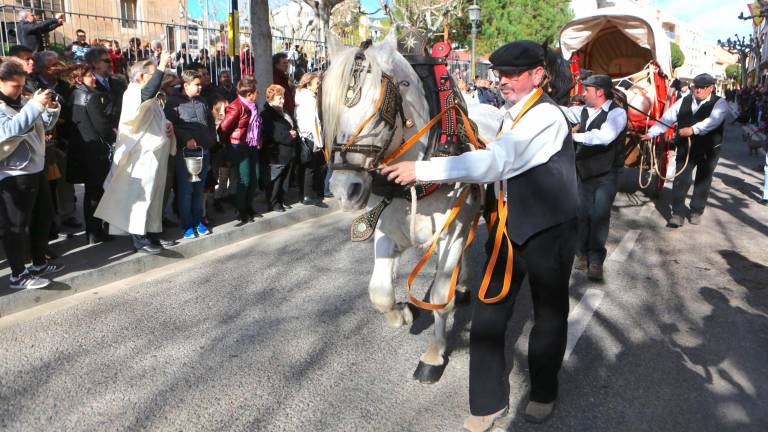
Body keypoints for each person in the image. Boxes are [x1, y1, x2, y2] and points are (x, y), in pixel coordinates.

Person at [382, 40, 578, 430]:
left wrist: (423, 171)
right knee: (489, 317)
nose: (499, 80)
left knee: (549, 315)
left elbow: (496, 161)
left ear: (537, 75)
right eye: (498, 73)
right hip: (507, 227)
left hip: (549, 232)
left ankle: (542, 390)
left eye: (510, 74)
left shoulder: (545, 117)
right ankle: (487, 402)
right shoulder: (510, 113)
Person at [94, 53, 176, 254]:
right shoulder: (133, 92)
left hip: (155, 154)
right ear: (140, 77)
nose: (158, 79)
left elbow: (157, 119)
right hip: (140, 156)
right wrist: (162, 64)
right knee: (140, 197)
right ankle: (140, 240)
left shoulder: (151, 97)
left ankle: (153, 234)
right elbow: (146, 95)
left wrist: (168, 126)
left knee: (154, 197)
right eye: (153, 74)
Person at [0, 60, 63, 289]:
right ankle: (18, 274)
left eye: (21, 85)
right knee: (16, 226)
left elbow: (42, 126)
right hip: (12, 174)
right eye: (14, 86)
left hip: (36, 168)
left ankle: (39, 263)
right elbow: (7, 131)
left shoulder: (25, 102)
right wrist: (35, 105)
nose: (19, 91)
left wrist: (51, 109)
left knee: (43, 217)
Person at [562, 74, 627, 280]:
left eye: (587, 89)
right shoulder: (583, 110)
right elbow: (563, 112)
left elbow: (604, 136)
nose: (583, 93)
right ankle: (580, 254)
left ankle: (596, 259)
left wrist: (572, 136)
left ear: (599, 92)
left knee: (599, 215)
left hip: (607, 174)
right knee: (581, 213)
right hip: (585, 172)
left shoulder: (617, 114)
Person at [642, 73, 728, 227]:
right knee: (681, 179)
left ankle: (696, 210)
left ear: (711, 88)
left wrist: (693, 130)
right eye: (696, 87)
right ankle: (677, 212)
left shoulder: (720, 103)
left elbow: (713, 121)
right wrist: (651, 133)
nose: (699, 90)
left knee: (703, 180)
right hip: (685, 147)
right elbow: (667, 119)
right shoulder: (684, 101)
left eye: (703, 88)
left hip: (708, 149)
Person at [164, 69, 217, 239]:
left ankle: (198, 221)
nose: (200, 87)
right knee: (186, 190)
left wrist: (211, 141)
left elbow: (209, 123)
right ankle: (187, 224)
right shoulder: (173, 102)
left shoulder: (202, 101)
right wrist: (186, 138)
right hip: (185, 153)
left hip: (204, 151)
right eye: (197, 84)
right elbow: (171, 125)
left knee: (199, 190)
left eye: (201, 84)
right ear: (186, 85)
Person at [67, 64, 117, 244]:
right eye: (89, 76)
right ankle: (95, 231)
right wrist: (113, 132)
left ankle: (93, 231)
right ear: (79, 79)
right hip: (95, 152)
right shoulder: (91, 96)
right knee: (95, 193)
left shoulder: (73, 94)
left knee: (91, 192)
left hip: (81, 150)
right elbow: (102, 126)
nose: (94, 78)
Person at [219, 77, 262, 224]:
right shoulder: (236, 106)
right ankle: (241, 210)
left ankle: (249, 206)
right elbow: (223, 128)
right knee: (245, 179)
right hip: (239, 146)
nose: (258, 94)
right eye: (256, 91)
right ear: (250, 93)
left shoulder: (253, 106)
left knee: (255, 177)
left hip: (251, 144)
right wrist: (229, 145)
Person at [260, 84, 298, 212]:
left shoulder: (283, 112)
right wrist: (289, 135)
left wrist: (292, 132)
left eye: (283, 98)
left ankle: (280, 200)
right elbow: (274, 133)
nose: (282, 100)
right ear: (271, 99)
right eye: (279, 98)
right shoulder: (267, 114)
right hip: (275, 153)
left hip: (286, 152)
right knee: (275, 180)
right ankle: (273, 203)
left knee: (284, 180)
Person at [294, 72, 326, 207]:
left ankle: (306, 193)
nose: (318, 86)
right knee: (310, 167)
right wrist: (318, 141)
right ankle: (308, 195)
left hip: (306, 135)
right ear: (308, 84)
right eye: (317, 84)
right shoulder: (309, 99)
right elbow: (313, 122)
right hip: (310, 136)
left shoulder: (302, 96)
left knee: (307, 167)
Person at [85, 47, 127, 134]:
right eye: (107, 61)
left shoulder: (119, 81)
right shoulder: (87, 86)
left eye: (111, 60)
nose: (111, 63)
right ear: (95, 63)